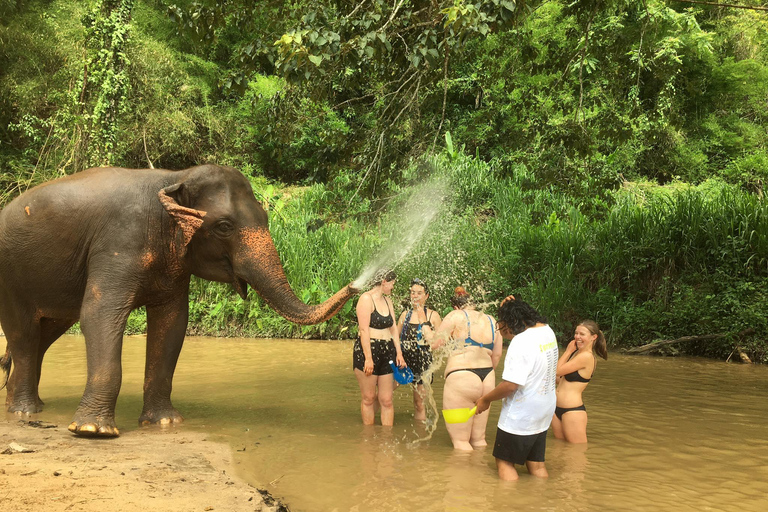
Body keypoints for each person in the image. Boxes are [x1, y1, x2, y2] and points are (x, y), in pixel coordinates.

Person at [475, 296, 558, 481]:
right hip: (544, 409)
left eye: (502, 323)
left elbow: (511, 385)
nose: (502, 329)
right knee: (536, 464)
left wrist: (485, 399)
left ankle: (510, 503)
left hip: (522, 414)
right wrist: (509, 306)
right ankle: (540, 499)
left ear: (512, 321)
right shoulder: (546, 330)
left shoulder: (521, 342)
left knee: (504, 462)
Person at [432, 287, 502, 450]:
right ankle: (480, 474)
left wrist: (428, 332)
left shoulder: (455, 316)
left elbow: (435, 345)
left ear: (456, 306)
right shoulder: (491, 320)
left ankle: (462, 475)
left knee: (461, 442)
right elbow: (496, 356)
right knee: (479, 440)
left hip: (462, 378)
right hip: (488, 379)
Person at [353, 268, 406, 426]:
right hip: (368, 350)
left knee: (387, 400)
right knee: (369, 398)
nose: (393, 287)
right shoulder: (366, 299)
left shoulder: (388, 301)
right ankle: (368, 440)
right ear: (384, 282)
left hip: (387, 350)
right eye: (392, 284)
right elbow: (363, 330)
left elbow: (394, 329)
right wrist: (368, 359)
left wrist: (399, 353)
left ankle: (386, 438)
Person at [551, 320, 608, 444]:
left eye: (582, 334)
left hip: (572, 411)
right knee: (560, 448)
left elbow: (557, 371)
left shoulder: (586, 356)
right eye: (576, 333)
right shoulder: (577, 353)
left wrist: (567, 351)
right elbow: (560, 379)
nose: (577, 337)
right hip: (556, 408)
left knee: (576, 453)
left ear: (594, 337)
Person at [396, 278, 442, 421]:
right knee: (385, 394)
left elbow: (440, 342)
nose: (415, 296)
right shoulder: (405, 315)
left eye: (419, 293)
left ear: (426, 296)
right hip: (403, 361)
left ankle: (420, 434)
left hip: (423, 363)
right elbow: (395, 338)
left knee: (419, 404)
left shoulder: (433, 316)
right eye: (412, 293)